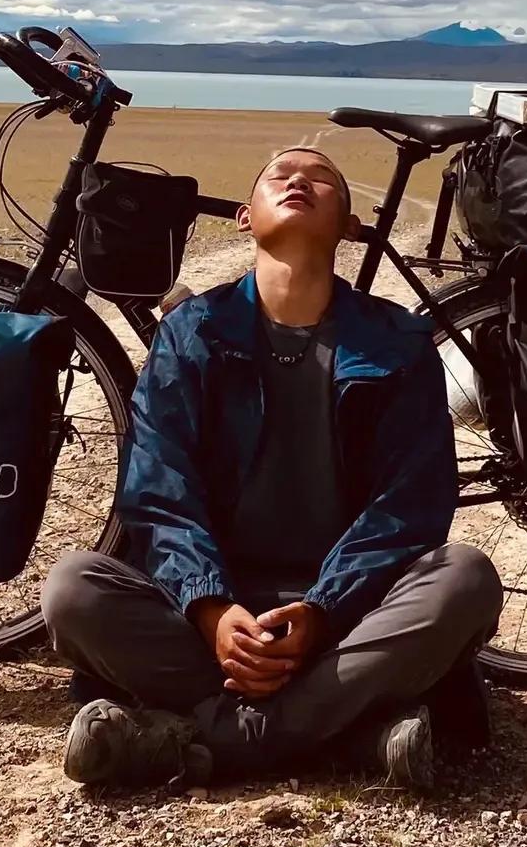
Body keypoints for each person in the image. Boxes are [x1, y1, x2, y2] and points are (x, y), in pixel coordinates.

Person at [41, 146, 503, 792]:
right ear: (244, 217)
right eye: (279, 175)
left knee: (466, 578)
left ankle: (200, 741)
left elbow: (410, 505)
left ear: (350, 226)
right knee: (72, 589)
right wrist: (210, 607)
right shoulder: (193, 333)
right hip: (210, 613)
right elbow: (158, 491)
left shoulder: (396, 342)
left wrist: (321, 611)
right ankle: (344, 735)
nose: (297, 181)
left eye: (321, 178)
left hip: (348, 614)